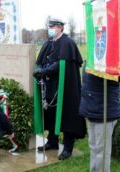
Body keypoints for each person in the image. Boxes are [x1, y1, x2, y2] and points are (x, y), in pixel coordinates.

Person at [33, 17, 86, 160]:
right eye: (50, 26)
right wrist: (40, 71)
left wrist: (44, 71)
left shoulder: (68, 43)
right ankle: (52, 141)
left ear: (61, 27)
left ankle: (68, 147)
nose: (51, 29)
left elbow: (61, 65)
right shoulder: (48, 43)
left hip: (65, 87)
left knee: (67, 115)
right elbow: (42, 62)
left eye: (54, 26)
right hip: (50, 87)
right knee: (50, 113)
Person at [79, 64, 120, 172]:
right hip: (90, 111)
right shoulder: (91, 56)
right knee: (94, 148)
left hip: (104, 113)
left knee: (102, 153)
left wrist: (106, 66)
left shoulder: (110, 57)